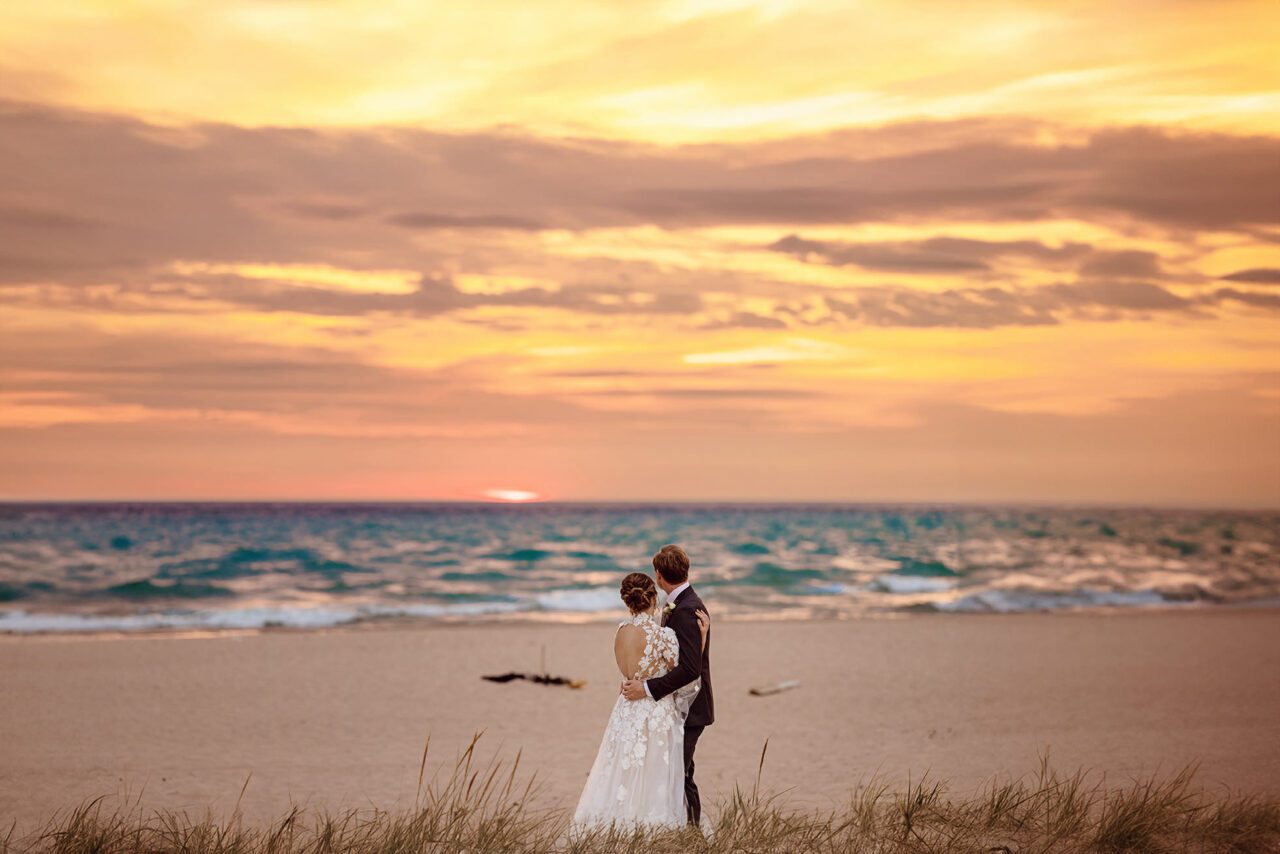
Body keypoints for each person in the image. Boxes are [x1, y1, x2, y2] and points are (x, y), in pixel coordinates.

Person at [569, 566, 710, 833]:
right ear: (652, 599)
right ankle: (655, 832)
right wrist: (700, 640)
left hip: (625, 710)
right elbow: (687, 680)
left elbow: (628, 672)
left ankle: (615, 829)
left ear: (627, 600)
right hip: (655, 713)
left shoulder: (620, 631)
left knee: (621, 771)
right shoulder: (663, 635)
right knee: (656, 774)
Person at [621, 544, 714, 827]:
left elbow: (689, 669)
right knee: (680, 773)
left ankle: (692, 833)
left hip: (692, 707)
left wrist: (646, 689)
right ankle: (685, 830)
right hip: (677, 705)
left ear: (659, 575)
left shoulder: (687, 609)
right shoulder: (680, 604)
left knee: (680, 775)